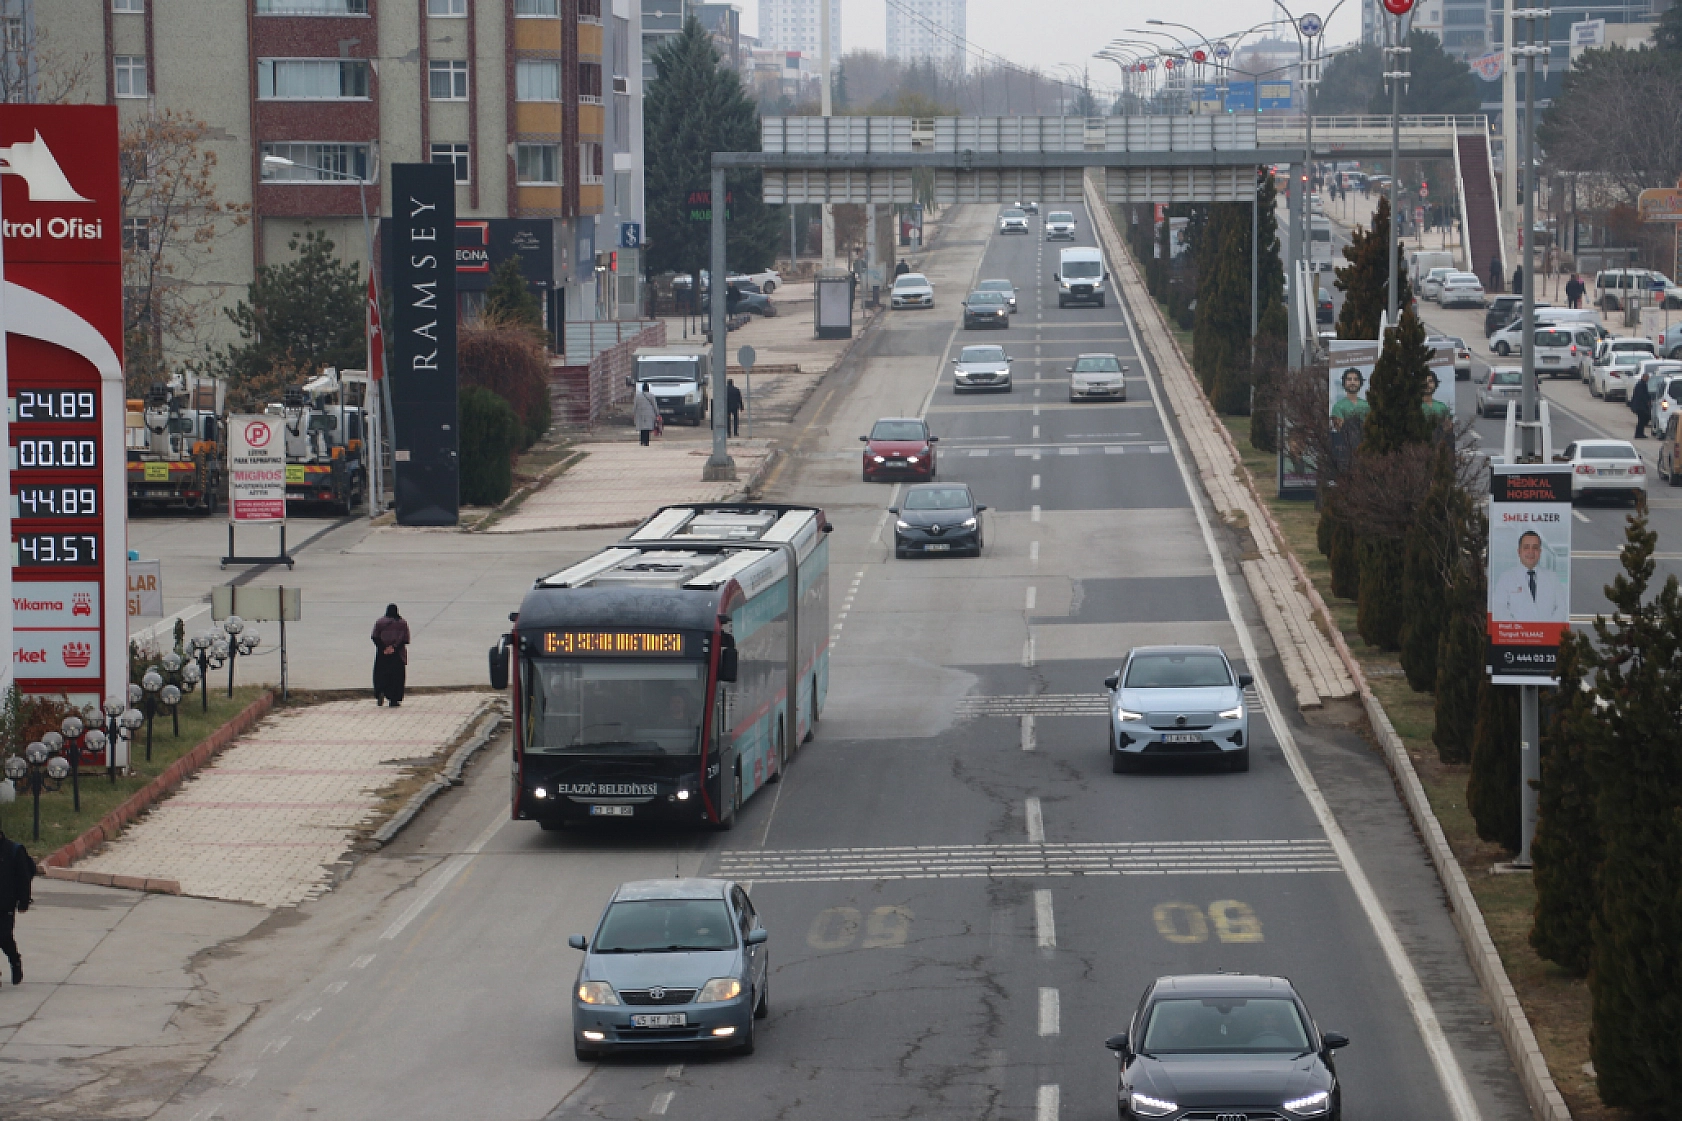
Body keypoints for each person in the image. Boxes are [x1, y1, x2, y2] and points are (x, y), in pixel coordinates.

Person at [1492, 531, 1568, 622]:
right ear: (1519, 551)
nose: (1531, 552)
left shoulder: (1552, 578)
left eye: (1535, 548)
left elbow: (1561, 608)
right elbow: (1499, 608)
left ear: (1540, 552)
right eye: (1526, 547)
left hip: (1547, 634)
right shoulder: (1506, 578)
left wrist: (1547, 629)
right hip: (1517, 634)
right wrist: (1519, 630)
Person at [0, 824, 34, 987]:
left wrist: (24, 901)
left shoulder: (13, 850)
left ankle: (15, 961)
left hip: (5, 903)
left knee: (4, 936)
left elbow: (23, 877)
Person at [371, 604, 410, 708]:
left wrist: (384, 648)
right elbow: (405, 639)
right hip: (397, 655)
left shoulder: (380, 622)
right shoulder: (402, 623)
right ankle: (393, 700)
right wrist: (394, 648)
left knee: (381, 675)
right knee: (396, 677)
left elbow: (375, 637)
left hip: (382, 655)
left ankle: (380, 691)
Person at [633, 382, 659, 447]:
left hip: (640, 413)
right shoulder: (651, 396)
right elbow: (654, 405)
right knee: (647, 428)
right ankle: (646, 442)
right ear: (648, 389)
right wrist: (657, 413)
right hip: (649, 413)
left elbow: (635, 405)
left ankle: (642, 441)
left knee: (642, 428)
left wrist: (634, 413)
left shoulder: (637, 396)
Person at [1631, 370, 1652, 438]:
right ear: (1643, 377)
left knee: (1642, 420)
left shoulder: (1643, 384)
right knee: (1641, 420)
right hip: (1640, 406)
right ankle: (1638, 434)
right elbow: (1641, 396)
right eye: (1647, 377)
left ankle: (1640, 433)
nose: (1648, 379)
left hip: (1642, 406)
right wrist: (1647, 401)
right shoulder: (1640, 385)